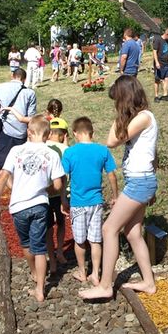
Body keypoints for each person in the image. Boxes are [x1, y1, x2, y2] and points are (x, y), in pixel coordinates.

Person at [79, 75, 158, 300]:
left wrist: (120, 113)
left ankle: (105, 286)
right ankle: (149, 282)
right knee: (133, 233)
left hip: (140, 182)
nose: (115, 105)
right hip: (141, 181)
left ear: (125, 98)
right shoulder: (142, 118)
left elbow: (112, 140)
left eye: (117, 100)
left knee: (108, 229)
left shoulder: (144, 117)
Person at [0, 116, 68, 302]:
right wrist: (42, 188)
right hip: (41, 205)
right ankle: (41, 289)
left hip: (19, 206)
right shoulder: (52, 154)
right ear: (48, 134)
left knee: (26, 244)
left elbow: (3, 176)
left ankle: (34, 272)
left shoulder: (16, 150)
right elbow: (58, 185)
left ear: (29, 132)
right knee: (40, 247)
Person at [63, 117, 118, 286]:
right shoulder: (102, 151)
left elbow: (63, 178)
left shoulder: (69, 153)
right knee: (95, 240)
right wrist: (116, 195)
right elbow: (111, 175)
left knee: (80, 240)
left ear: (75, 134)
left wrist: (62, 198)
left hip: (78, 203)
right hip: (96, 202)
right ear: (92, 133)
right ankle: (95, 273)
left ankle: (82, 271)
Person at [0, 68, 37, 170]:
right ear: (24, 79)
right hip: (21, 131)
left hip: (4, 129)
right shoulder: (30, 93)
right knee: (20, 163)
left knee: (2, 162)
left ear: (12, 76)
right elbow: (31, 116)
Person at [45, 117, 69, 274]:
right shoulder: (64, 149)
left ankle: (51, 257)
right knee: (60, 223)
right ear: (64, 134)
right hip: (60, 193)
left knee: (47, 227)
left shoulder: (41, 146)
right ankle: (60, 251)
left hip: (44, 194)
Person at [152, 27, 168, 103]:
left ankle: (165, 95)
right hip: (159, 63)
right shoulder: (158, 40)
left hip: (167, 63)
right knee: (157, 80)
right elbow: (154, 52)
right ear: (167, 34)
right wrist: (157, 62)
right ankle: (156, 96)